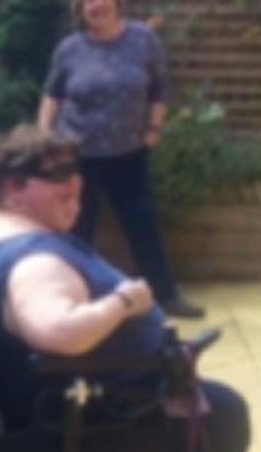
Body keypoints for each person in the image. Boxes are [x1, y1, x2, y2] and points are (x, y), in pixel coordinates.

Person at [0, 124, 247, 452]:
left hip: (56, 391)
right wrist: (125, 302)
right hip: (100, 403)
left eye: (75, 170)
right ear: (13, 188)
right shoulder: (36, 260)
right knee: (226, 411)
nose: (75, 182)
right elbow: (59, 331)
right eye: (58, 176)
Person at [38, 0, 204, 319]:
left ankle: (166, 296)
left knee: (143, 225)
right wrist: (44, 139)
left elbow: (159, 89)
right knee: (77, 230)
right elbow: (52, 96)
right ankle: (77, 298)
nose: (95, 6)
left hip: (129, 154)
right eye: (86, 3)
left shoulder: (143, 39)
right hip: (77, 156)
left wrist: (154, 128)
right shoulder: (70, 48)